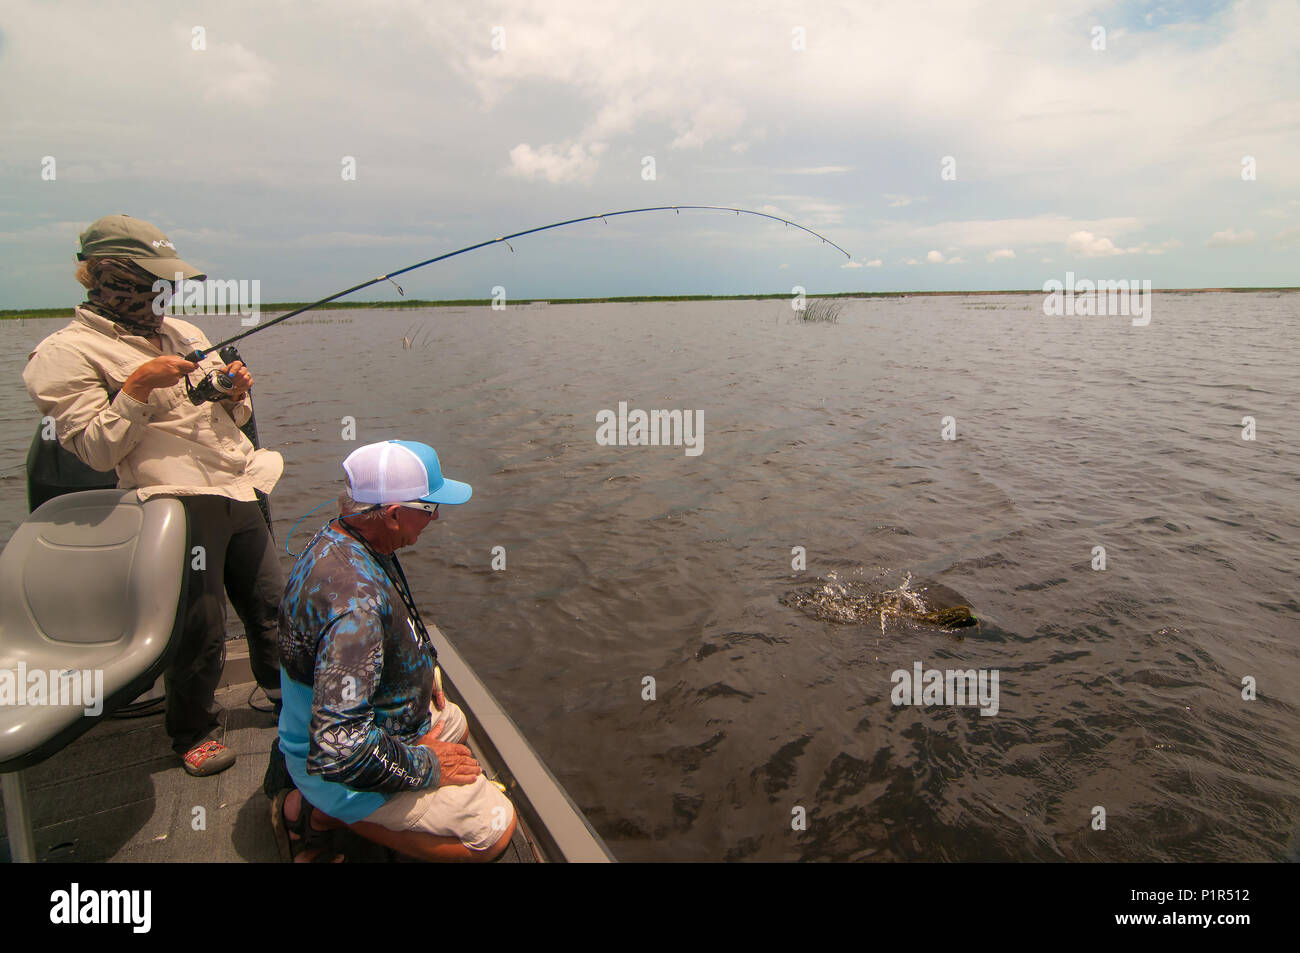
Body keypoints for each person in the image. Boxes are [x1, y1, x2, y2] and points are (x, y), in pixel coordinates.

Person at [22, 213, 285, 777]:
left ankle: (282, 692)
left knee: (270, 604)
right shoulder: (62, 354)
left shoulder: (185, 334)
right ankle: (194, 728)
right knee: (200, 627)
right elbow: (95, 450)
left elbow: (230, 415)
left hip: (239, 484)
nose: (156, 293)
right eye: (144, 280)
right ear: (103, 275)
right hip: (173, 503)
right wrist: (139, 386)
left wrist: (234, 391)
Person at [273, 440, 518, 862]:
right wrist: (427, 766)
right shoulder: (355, 608)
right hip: (331, 763)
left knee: (453, 720)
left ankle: (325, 810)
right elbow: (339, 748)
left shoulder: (345, 536)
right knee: (494, 828)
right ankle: (324, 816)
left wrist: (425, 673)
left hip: (362, 723)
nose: (436, 516)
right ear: (392, 514)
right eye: (428, 508)